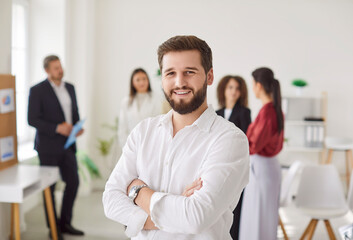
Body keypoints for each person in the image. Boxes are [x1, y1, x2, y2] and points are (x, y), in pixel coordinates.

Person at [103, 35, 249, 239]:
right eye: (170, 73)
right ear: (162, 78)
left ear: (209, 76)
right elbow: (110, 200)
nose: (179, 82)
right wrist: (175, 210)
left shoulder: (230, 140)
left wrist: (138, 192)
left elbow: (195, 217)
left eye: (189, 72)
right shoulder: (143, 132)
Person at [28, 55, 85, 239]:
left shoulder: (70, 88)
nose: (60, 70)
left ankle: (65, 223)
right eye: (55, 68)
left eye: (60, 67)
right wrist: (57, 128)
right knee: (49, 189)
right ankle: (54, 229)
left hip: (68, 145)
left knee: (74, 182)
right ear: (47, 71)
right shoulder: (37, 90)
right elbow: (32, 119)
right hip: (47, 147)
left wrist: (77, 127)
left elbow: (73, 113)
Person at [239, 67, 284, 240]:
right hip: (267, 167)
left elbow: (254, 144)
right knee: (264, 215)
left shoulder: (267, 112)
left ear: (258, 85)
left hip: (261, 168)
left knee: (258, 215)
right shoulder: (274, 109)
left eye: (252, 85)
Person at [216, 75, 251, 240]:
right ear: (223, 89)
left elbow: (245, 140)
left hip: (236, 166)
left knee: (235, 208)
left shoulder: (244, 113)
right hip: (217, 165)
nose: (233, 92)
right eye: (230, 87)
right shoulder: (216, 114)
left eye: (237, 88)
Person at [118, 68, 161, 148]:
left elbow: (158, 124)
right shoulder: (126, 101)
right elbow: (122, 129)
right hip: (130, 145)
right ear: (132, 83)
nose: (142, 82)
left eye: (144, 79)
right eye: (138, 80)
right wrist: (127, 147)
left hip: (151, 144)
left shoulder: (156, 99)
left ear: (148, 80)